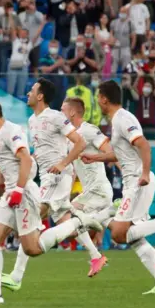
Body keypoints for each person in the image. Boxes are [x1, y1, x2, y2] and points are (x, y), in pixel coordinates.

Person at [0, 96, 101, 304]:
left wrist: (18, 189)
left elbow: (26, 158)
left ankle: (79, 221)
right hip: (12, 192)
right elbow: (2, 175)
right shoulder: (0, 136)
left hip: (23, 192)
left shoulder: (11, 131)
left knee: (32, 248)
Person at [81, 80, 155, 294]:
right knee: (131, 235)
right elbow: (120, 154)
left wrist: (143, 174)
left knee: (119, 234)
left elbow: (144, 144)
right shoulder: (117, 121)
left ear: (104, 99)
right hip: (131, 183)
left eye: (98, 98)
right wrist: (95, 157)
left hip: (137, 182)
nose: (97, 102)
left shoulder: (124, 118)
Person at [0, 78, 90, 292]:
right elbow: (40, 149)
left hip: (57, 176)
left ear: (40, 96)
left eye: (32, 90)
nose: (28, 93)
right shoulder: (32, 120)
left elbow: (80, 142)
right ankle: (16, 276)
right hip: (46, 177)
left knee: (30, 218)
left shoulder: (56, 117)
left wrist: (63, 163)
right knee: (33, 221)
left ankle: (16, 276)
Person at [60, 97, 115, 275]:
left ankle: (95, 255)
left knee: (69, 218)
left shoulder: (89, 130)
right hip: (90, 192)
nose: (60, 113)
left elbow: (112, 153)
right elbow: (74, 168)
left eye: (62, 110)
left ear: (72, 112)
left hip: (98, 191)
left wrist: (93, 157)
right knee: (127, 234)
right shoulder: (71, 137)